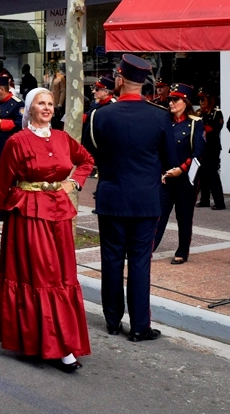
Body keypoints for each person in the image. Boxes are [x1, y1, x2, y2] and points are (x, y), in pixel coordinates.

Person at [0, 88, 94, 372]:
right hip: (29, 216)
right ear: (29, 108)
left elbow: (87, 160)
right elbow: (2, 182)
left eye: (51, 104)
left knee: (63, 276)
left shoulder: (63, 138)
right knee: (41, 277)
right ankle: (47, 344)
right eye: (41, 103)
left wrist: (74, 183)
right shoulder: (17, 142)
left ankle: (61, 342)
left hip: (60, 215)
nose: (47, 108)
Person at [89, 54, 175, 341]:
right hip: (145, 199)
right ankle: (139, 326)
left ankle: (112, 320)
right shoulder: (160, 116)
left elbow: (94, 153)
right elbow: (169, 159)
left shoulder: (101, 115)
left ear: (120, 79)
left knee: (111, 259)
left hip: (112, 196)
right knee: (140, 262)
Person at [153, 83, 205, 264]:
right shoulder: (165, 122)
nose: (171, 103)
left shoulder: (195, 123)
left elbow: (198, 152)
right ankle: (149, 247)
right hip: (166, 177)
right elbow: (157, 149)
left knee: (183, 216)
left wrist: (182, 169)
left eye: (176, 99)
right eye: (170, 100)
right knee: (158, 213)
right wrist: (160, 171)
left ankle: (182, 251)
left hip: (185, 179)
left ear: (186, 102)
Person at [0, 75, 24, 174]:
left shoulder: (17, 104)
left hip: (9, 149)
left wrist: (2, 123)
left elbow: (21, 124)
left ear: (1, 89)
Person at [196, 90, 225, 209]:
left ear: (209, 99)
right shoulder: (199, 113)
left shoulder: (216, 113)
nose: (201, 102)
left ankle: (219, 202)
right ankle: (204, 200)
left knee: (212, 175)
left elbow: (215, 128)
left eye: (203, 99)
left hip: (212, 147)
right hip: (202, 147)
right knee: (202, 175)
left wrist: (202, 129)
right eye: (200, 99)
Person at [81, 76, 116, 155]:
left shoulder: (112, 107)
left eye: (97, 89)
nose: (93, 91)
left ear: (106, 92)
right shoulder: (98, 105)